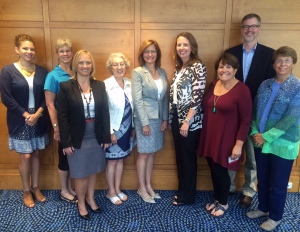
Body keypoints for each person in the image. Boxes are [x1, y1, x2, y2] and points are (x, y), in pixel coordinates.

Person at [246, 46, 300, 231]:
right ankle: (263, 208)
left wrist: (266, 136)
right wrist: (255, 132)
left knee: (278, 183)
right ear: (274, 63)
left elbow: (291, 118)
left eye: (287, 60)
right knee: (263, 178)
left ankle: (275, 217)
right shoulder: (265, 84)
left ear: (293, 63)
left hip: (282, 145)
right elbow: (255, 110)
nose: (282, 64)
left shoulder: (298, 87)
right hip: (260, 141)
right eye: (279, 60)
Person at [225, 13, 276, 208]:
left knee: (252, 157)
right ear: (241, 29)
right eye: (246, 26)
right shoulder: (230, 53)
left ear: (259, 29)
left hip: (256, 116)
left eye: (253, 26)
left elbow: (271, 88)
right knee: (230, 151)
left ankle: (248, 190)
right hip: (232, 114)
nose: (249, 30)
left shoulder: (269, 55)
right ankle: (228, 186)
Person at [57, 50, 111, 220]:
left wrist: (106, 137)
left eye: (88, 62)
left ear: (92, 65)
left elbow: (105, 113)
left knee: (93, 169)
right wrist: (66, 142)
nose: (85, 66)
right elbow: (62, 116)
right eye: (81, 63)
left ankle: (91, 198)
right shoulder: (66, 87)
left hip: (95, 134)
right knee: (80, 173)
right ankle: (81, 202)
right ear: (75, 65)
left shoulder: (99, 85)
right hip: (76, 137)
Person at [198, 53, 252, 217]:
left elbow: (246, 119)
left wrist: (239, 144)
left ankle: (223, 203)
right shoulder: (214, 84)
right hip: (209, 136)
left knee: (222, 171)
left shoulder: (242, 89)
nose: (224, 70)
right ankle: (217, 197)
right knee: (213, 169)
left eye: (228, 66)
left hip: (228, 139)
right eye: (221, 66)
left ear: (235, 70)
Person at [0, 34, 49, 208]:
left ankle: (36, 187)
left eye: (32, 49)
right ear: (17, 50)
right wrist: (26, 115)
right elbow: (5, 97)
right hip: (20, 119)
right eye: (25, 48)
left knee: (36, 154)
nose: (29, 52)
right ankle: (26, 190)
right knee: (26, 156)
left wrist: (37, 114)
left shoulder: (42, 71)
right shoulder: (8, 70)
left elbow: (47, 96)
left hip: (39, 117)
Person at [169, 32, 207, 206]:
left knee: (188, 158)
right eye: (179, 45)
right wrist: (173, 118)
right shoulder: (180, 68)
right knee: (180, 157)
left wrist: (187, 120)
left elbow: (198, 96)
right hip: (177, 117)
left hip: (189, 120)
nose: (181, 48)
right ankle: (182, 191)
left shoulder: (197, 66)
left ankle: (188, 196)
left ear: (192, 47)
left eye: (185, 45)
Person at [131, 40, 168, 203]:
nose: (150, 54)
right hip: (144, 118)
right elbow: (137, 99)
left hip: (159, 118)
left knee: (152, 152)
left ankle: (148, 185)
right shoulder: (138, 72)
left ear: (157, 53)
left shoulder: (162, 72)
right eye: (147, 51)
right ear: (142, 55)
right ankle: (142, 188)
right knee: (144, 154)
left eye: (153, 51)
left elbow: (166, 97)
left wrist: (166, 118)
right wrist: (144, 122)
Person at [44, 39, 77, 203]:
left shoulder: (75, 72)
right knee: (64, 156)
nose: (65, 54)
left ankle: (70, 187)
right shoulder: (53, 76)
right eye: (62, 51)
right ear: (57, 53)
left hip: (76, 123)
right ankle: (64, 190)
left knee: (72, 155)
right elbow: (50, 104)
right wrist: (56, 128)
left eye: (68, 51)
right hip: (62, 123)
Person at [104, 52, 135, 205]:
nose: (119, 67)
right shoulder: (106, 85)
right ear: (110, 67)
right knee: (112, 161)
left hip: (127, 129)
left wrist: (134, 127)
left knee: (121, 160)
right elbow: (104, 112)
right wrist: (110, 132)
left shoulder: (129, 82)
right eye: (115, 64)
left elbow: (133, 108)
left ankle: (117, 189)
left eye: (121, 64)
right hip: (114, 130)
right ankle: (110, 192)